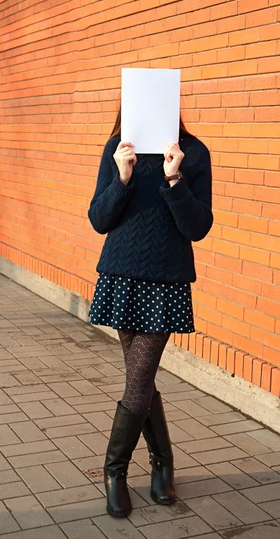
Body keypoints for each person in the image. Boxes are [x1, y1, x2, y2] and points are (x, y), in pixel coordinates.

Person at [88, 104, 213, 518]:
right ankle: (162, 465)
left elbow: (197, 227)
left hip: (165, 280)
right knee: (140, 380)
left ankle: (115, 472)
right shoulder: (117, 148)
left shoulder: (193, 153)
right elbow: (99, 220)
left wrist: (174, 178)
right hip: (121, 275)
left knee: (139, 377)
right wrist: (121, 177)